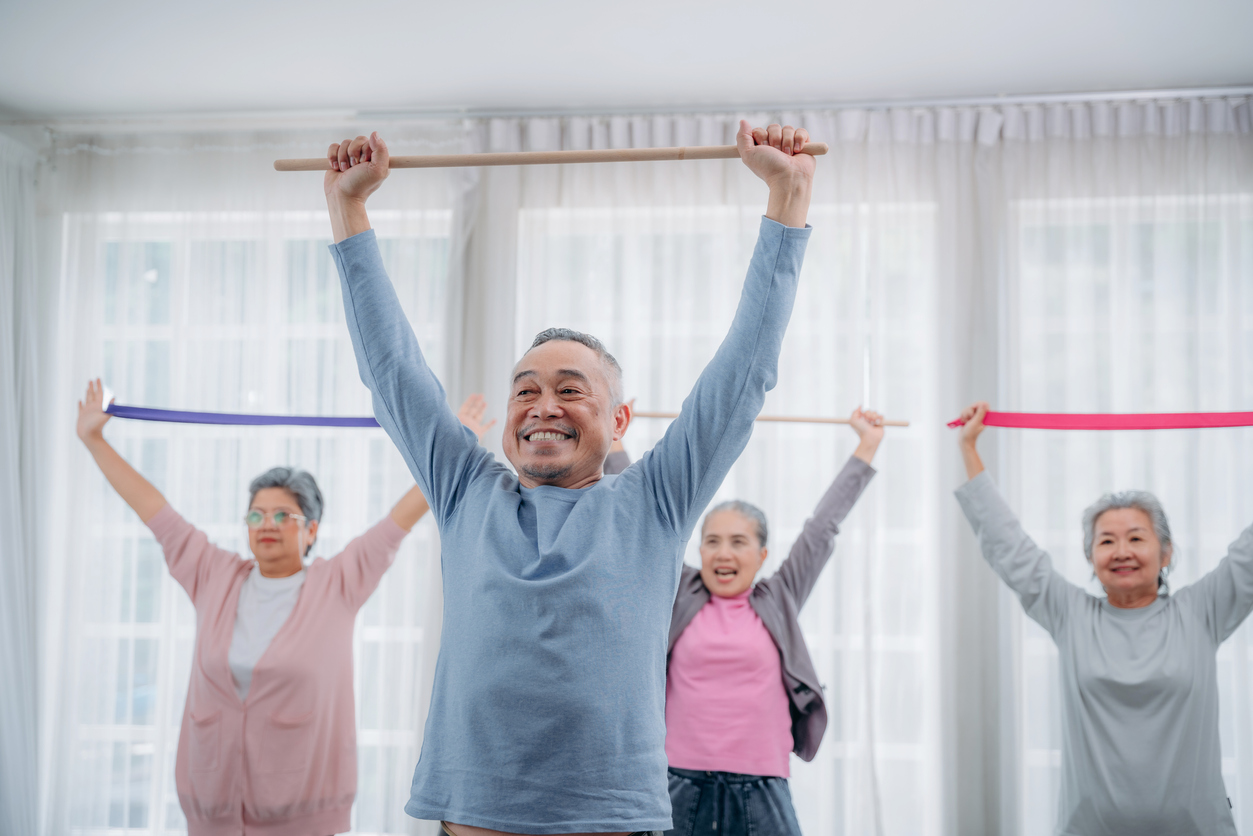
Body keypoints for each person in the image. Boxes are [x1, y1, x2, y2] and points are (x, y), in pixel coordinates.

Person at [323, 121, 815, 835]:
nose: (542, 405)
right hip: (475, 814)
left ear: (619, 421)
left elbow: (744, 375)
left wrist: (786, 193)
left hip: (608, 816)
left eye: (569, 388)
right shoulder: (465, 491)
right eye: (524, 389)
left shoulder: (652, 501)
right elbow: (390, 368)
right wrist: (348, 210)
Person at [75, 378, 495, 836]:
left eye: (283, 516)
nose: (266, 525)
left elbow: (401, 517)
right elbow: (154, 509)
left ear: (311, 530)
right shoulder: (213, 574)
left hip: (304, 815)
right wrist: (93, 440)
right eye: (256, 515)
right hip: (210, 810)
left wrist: (456, 445)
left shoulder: (339, 581)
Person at [954, 401, 1253, 836]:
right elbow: (1008, 546)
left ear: (1165, 553)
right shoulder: (1071, 613)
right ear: (1091, 559)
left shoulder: (1202, 610)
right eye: (1107, 541)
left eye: (1136, 537)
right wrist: (969, 447)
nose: (1122, 551)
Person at [606, 408, 884, 836]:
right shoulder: (680, 589)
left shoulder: (781, 595)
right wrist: (612, 439)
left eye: (739, 542)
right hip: (679, 781)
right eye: (712, 541)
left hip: (763, 783)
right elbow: (642, 518)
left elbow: (822, 527)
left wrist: (867, 446)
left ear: (762, 555)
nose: (723, 554)